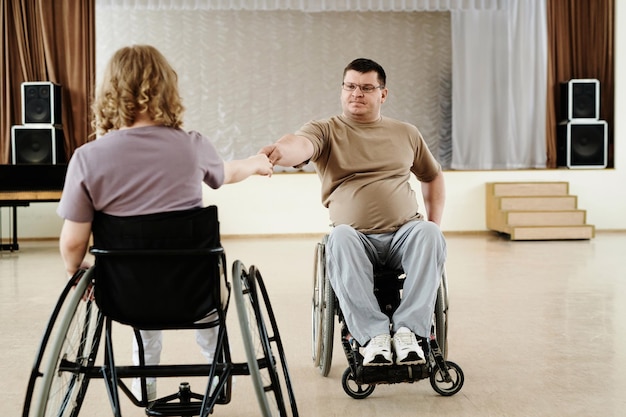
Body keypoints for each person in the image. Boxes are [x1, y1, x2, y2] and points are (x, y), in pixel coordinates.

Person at [57, 44, 273, 400]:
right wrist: (255, 162)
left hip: (126, 294)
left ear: (110, 93)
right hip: (194, 292)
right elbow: (226, 173)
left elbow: (72, 244)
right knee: (205, 295)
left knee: (139, 285)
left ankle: (145, 382)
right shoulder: (192, 146)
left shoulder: (87, 158)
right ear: (167, 90)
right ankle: (216, 366)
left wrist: (75, 269)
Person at [260, 58, 446, 366]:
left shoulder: (406, 133)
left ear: (382, 94)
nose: (356, 93)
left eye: (366, 88)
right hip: (356, 237)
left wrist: (435, 224)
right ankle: (373, 337)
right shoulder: (326, 130)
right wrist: (280, 150)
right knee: (340, 237)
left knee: (430, 232)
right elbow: (300, 144)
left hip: (405, 233)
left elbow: (432, 175)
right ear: (342, 89)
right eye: (350, 86)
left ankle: (409, 333)